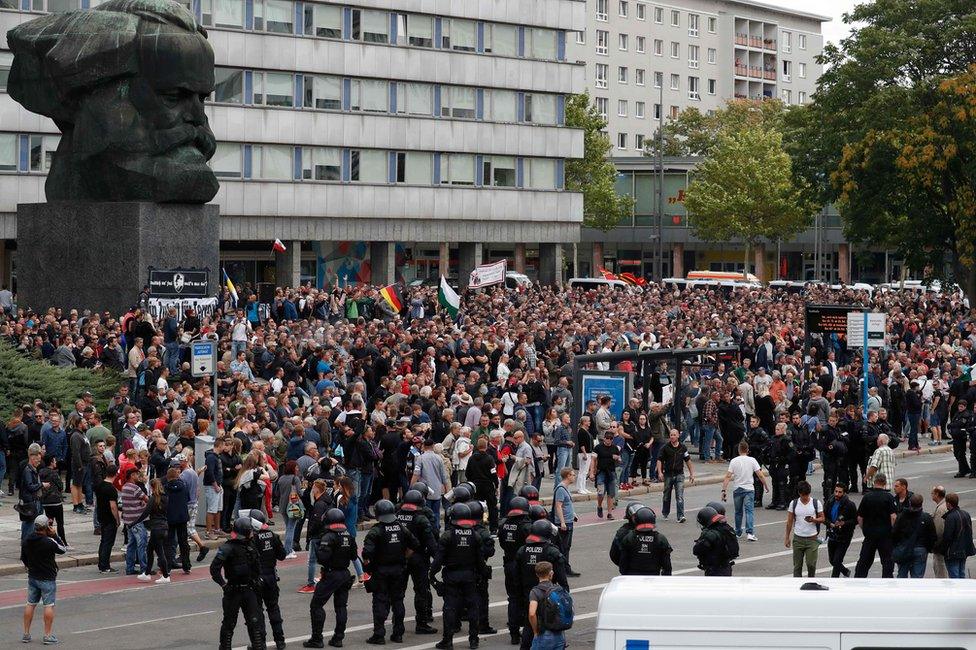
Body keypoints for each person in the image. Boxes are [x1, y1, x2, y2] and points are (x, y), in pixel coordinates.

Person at [361, 499, 419, 644]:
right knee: (398, 601)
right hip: (398, 570)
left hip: (381, 571)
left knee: (380, 601)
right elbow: (415, 544)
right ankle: (398, 634)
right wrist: (404, 557)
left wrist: (368, 569)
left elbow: (367, 554)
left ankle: (379, 635)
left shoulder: (376, 531)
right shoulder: (401, 528)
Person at [431, 503, 485, 650]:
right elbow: (480, 561)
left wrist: (432, 574)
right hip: (470, 576)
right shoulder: (476, 535)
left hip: (452, 576)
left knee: (449, 608)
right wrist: (481, 576)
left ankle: (447, 641)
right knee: (473, 607)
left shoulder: (448, 536)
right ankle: (474, 640)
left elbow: (438, 559)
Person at [305, 508, 357, 648]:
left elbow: (322, 558)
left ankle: (317, 638)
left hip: (331, 574)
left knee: (316, 605)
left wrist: (317, 547)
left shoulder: (328, 536)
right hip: (345, 574)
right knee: (341, 606)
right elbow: (353, 556)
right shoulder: (348, 535)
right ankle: (338, 638)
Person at [211, 517, 265, 650]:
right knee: (229, 624)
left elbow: (258, 567)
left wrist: (257, 581)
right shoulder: (228, 547)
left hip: (248, 590)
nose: (252, 533)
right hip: (234, 591)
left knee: (254, 624)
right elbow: (214, 569)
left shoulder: (250, 546)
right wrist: (224, 585)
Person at [514, 520, 569, 650]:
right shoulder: (552, 552)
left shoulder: (522, 550)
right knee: (554, 626)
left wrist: (520, 597)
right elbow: (562, 580)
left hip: (529, 595)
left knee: (529, 626)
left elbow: (516, 578)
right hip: (550, 597)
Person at [396, 489, 439, 635]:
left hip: (400, 559)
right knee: (421, 591)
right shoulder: (421, 519)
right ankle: (421, 623)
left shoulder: (396, 516)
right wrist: (439, 561)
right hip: (419, 559)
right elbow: (432, 543)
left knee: (398, 593)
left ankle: (398, 625)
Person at [21, 514, 67, 645]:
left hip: (33, 576)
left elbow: (23, 558)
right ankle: (47, 635)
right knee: (48, 605)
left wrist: (30, 567)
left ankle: (26, 634)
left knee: (30, 604)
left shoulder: (27, 540)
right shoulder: (48, 541)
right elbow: (63, 549)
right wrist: (55, 535)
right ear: (46, 527)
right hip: (47, 577)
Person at [249, 509, 287, 649]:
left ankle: (261, 644)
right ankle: (280, 641)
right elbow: (282, 555)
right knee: (273, 608)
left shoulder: (252, 539)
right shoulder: (273, 536)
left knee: (257, 612)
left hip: (257, 578)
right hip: (271, 576)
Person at [498, 496, 531, 645]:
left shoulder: (503, 525)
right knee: (525, 598)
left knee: (512, 599)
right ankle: (526, 630)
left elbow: (502, 544)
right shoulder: (526, 527)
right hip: (522, 566)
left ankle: (513, 633)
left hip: (509, 563)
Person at [721, 441, 768, 542]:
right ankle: (750, 533)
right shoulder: (752, 460)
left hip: (737, 489)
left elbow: (728, 476)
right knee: (749, 511)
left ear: (738, 450)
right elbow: (760, 474)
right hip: (749, 489)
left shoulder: (734, 461)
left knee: (738, 512)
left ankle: (738, 531)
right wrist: (765, 485)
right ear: (747, 450)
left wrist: (724, 490)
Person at [854, 473, 897, 578]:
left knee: (864, 562)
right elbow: (893, 517)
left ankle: (858, 582)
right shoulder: (889, 497)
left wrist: (864, 529)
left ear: (874, 482)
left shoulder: (867, 497)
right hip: (885, 535)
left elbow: (859, 517)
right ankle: (887, 583)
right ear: (885, 483)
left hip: (870, 535)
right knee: (887, 562)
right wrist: (893, 531)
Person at [784, 480, 824, 578]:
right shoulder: (793, 504)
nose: (805, 497)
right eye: (803, 495)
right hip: (798, 539)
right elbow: (789, 521)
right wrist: (787, 537)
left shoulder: (816, 503)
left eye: (806, 495)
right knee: (797, 566)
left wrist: (814, 520)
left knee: (811, 564)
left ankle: (811, 581)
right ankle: (797, 585)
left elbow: (822, 518)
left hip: (812, 539)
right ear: (799, 493)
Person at [892, 493, 936, 578]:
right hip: (920, 548)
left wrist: (896, 546)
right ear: (921, 503)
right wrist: (928, 548)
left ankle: (901, 590)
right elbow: (932, 535)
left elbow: (895, 532)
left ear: (910, 502)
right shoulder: (926, 517)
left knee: (902, 575)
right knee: (917, 577)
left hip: (904, 547)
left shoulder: (902, 516)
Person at [618, 508, 672, 576]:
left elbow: (623, 564)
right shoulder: (660, 539)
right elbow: (667, 566)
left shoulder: (629, 538)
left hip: (632, 579)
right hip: (653, 578)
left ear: (636, 521)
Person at [656, 428, 695, 522]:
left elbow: (688, 461)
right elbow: (659, 460)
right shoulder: (665, 447)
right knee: (666, 495)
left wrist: (692, 474)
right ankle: (665, 513)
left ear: (678, 436)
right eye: (671, 435)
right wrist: (660, 472)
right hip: (668, 474)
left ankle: (680, 516)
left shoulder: (683, 448)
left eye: (674, 435)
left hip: (679, 474)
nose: (672, 437)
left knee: (680, 496)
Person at [526, 561, 568, 650]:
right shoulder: (558, 589)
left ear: (537, 575)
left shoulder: (535, 592)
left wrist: (535, 631)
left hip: (544, 633)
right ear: (551, 573)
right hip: (559, 633)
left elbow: (532, 613)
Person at [938, 492, 976, 578]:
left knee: (954, 576)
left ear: (948, 503)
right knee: (961, 573)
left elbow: (947, 536)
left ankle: (956, 591)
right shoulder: (966, 514)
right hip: (964, 550)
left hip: (953, 551)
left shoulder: (950, 517)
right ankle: (962, 590)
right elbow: (969, 532)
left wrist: (942, 549)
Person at [823, 483, 857, 577]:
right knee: (832, 560)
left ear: (844, 493)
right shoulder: (830, 501)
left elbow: (855, 520)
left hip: (844, 537)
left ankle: (834, 580)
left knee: (837, 561)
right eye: (836, 491)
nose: (837, 494)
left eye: (840, 492)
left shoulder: (850, 505)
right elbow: (823, 516)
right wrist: (829, 523)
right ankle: (845, 572)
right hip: (832, 535)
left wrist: (844, 523)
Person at [692, 505, 738, 576]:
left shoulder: (710, 534)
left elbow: (696, 550)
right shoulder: (725, 528)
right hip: (726, 567)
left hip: (714, 569)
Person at [550, 467, 579, 577]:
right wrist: (562, 522)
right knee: (562, 547)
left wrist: (573, 514)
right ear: (568, 476)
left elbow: (568, 504)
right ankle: (562, 570)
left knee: (567, 547)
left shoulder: (565, 488)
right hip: (564, 522)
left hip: (569, 520)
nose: (574, 476)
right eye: (572, 475)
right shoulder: (561, 489)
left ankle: (566, 568)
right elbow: (558, 506)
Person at [94, 464, 120, 574]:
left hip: (101, 516)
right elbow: (113, 507)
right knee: (108, 543)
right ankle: (105, 566)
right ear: (116, 474)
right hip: (109, 518)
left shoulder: (100, 485)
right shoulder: (111, 489)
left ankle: (101, 564)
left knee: (103, 541)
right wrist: (117, 520)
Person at [591, 431, 620, 520]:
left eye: (611, 438)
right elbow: (593, 460)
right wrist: (592, 472)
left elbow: (619, 460)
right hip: (601, 472)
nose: (608, 440)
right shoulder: (598, 447)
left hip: (611, 472)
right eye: (607, 438)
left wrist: (618, 458)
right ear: (604, 438)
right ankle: (599, 506)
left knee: (611, 494)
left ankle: (609, 513)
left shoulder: (615, 448)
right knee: (600, 492)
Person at [765, 423, 792, 510]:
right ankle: (774, 501)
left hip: (782, 464)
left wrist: (784, 460)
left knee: (782, 483)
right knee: (774, 483)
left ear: (783, 430)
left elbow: (792, 452)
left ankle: (782, 502)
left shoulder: (787, 440)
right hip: (773, 463)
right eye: (776, 429)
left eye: (778, 429)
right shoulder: (773, 438)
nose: (776, 431)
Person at [947, 399, 974, 477]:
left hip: (961, 436)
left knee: (960, 454)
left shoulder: (966, 414)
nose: (960, 408)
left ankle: (962, 471)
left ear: (965, 407)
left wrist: (952, 425)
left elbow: (960, 423)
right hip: (955, 436)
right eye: (959, 406)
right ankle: (965, 468)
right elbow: (953, 422)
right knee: (957, 453)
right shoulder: (958, 413)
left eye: (962, 407)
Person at [931, 485, 949, 578]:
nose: (931, 495)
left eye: (932, 493)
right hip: (945, 546)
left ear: (937, 494)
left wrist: (935, 544)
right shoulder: (943, 506)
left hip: (940, 547)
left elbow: (939, 530)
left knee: (940, 570)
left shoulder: (941, 509)